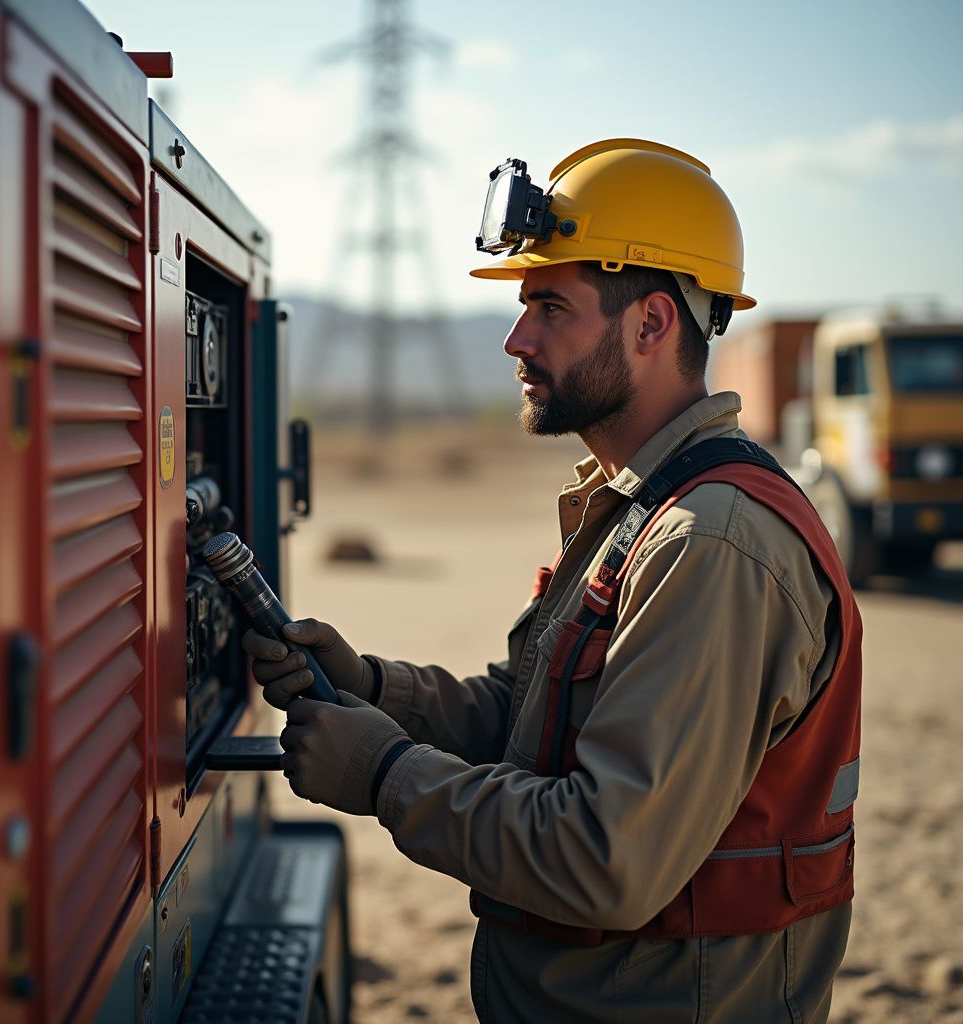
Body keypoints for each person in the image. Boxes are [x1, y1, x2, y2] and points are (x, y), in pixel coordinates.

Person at [243, 139, 862, 1023]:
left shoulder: (711, 542)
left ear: (651, 325)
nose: (514, 338)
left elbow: (607, 855)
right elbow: (532, 726)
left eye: (548, 307)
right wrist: (376, 690)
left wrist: (383, 773)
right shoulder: (643, 506)